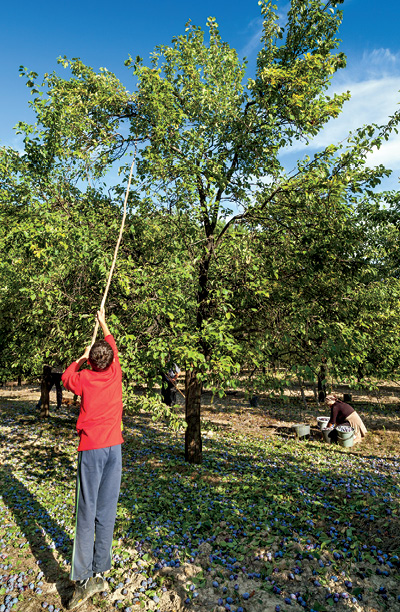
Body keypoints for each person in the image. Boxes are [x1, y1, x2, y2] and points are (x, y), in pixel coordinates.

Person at [61, 308, 123, 610]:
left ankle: (85, 579)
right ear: (110, 362)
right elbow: (112, 345)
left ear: (92, 362)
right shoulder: (116, 373)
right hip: (114, 449)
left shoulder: (84, 378)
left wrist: (81, 356)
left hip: (92, 450)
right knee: (106, 512)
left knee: (86, 513)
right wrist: (104, 323)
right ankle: (100, 571)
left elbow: (65, 377)